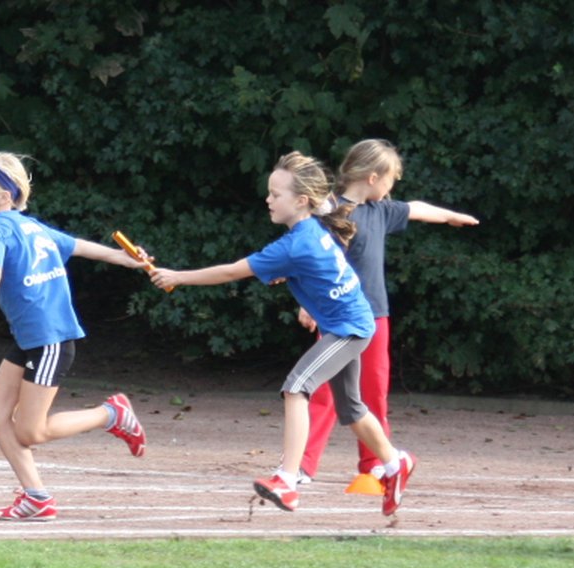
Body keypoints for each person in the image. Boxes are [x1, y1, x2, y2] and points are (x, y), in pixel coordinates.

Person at [149, 151, 415, 516]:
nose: (268, 200)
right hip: (353, 323)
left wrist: (178, 277)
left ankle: (288, 481)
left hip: (348, 328)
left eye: (276, 194)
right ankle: (395, 463)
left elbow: (231, 272)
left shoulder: (297, 243)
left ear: (302, 200)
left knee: (296, 388)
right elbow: (311, 264)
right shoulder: (313, 225)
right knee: (352, 408)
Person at [0, 151, 147, 521]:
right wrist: (124, 257)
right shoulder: (32, 228)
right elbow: (78, 245)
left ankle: (111, 414)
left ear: (4, 197)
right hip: (33, 338)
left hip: (49, 341)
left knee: (31, 432)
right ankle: (37, 497)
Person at [297, 139, 479, 487]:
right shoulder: (329, 212)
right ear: (372, 177)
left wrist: (450, 217)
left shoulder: (381, 211)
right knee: (323, 393)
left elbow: (416, 208)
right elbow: (312, 262)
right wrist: (308, 304)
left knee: (373, 393)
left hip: (375, 318)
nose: (391, 188)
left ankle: (375, 465)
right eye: (390, 180)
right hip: (337, 318)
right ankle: (302, 465)